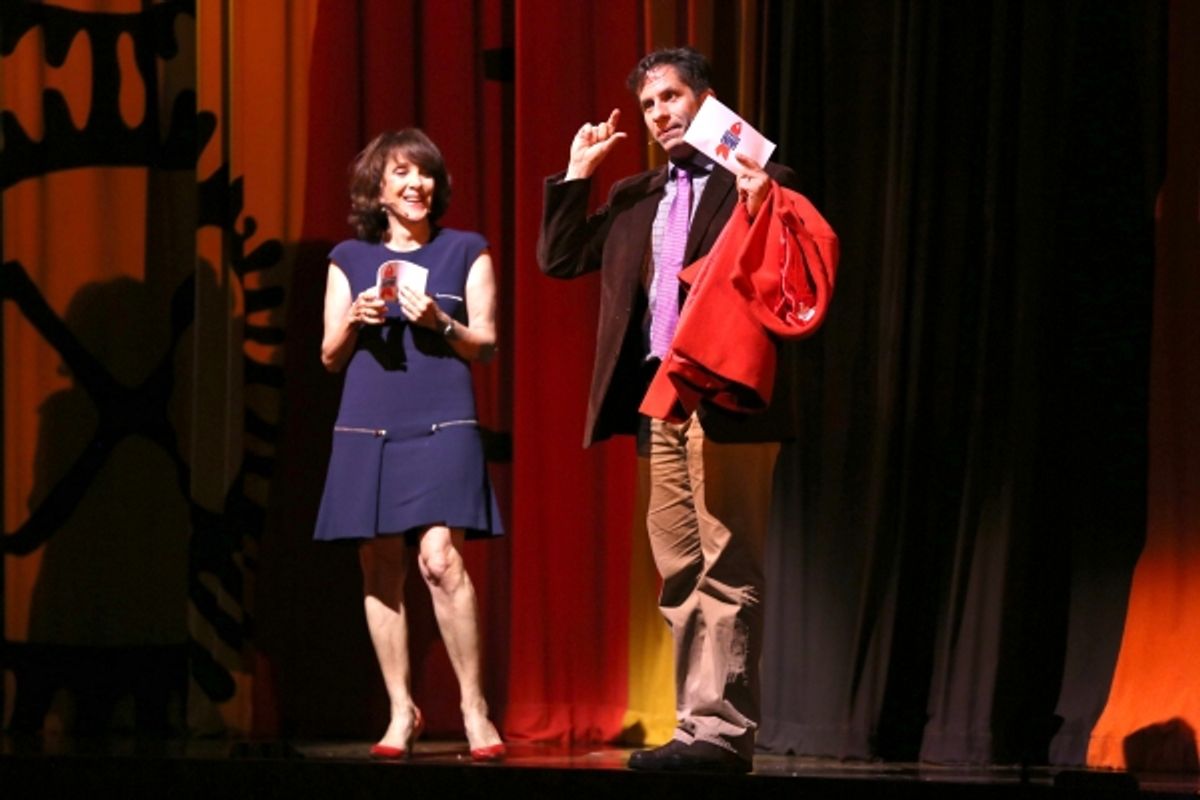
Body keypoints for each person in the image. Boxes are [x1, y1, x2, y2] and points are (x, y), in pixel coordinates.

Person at [537, 47, 815, 773]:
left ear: (706, 100)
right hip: (657, 402)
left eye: (671, 97)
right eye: (649, 105)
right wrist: (578, 175)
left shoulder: (757, 180)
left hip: (725, 399)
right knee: (682, 570)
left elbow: (787, 261)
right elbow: (560, 257)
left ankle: (724, 735)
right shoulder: (636, 197)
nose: (660, 113)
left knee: (727, 563)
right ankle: (696, 728)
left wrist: (759, 196)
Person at [314, 128, 506, 762]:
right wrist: (353, 318)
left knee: (440, 560)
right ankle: (403, 710)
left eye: (424, 173)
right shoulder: (348, 257)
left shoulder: (466, 251)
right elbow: (329, 357)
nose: (415, 184)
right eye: (401, 174)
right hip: (369, 418)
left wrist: (439, 321)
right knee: (379, 565)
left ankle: (474, 709)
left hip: (443, 416)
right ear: (378, 189)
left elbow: (486, 343)